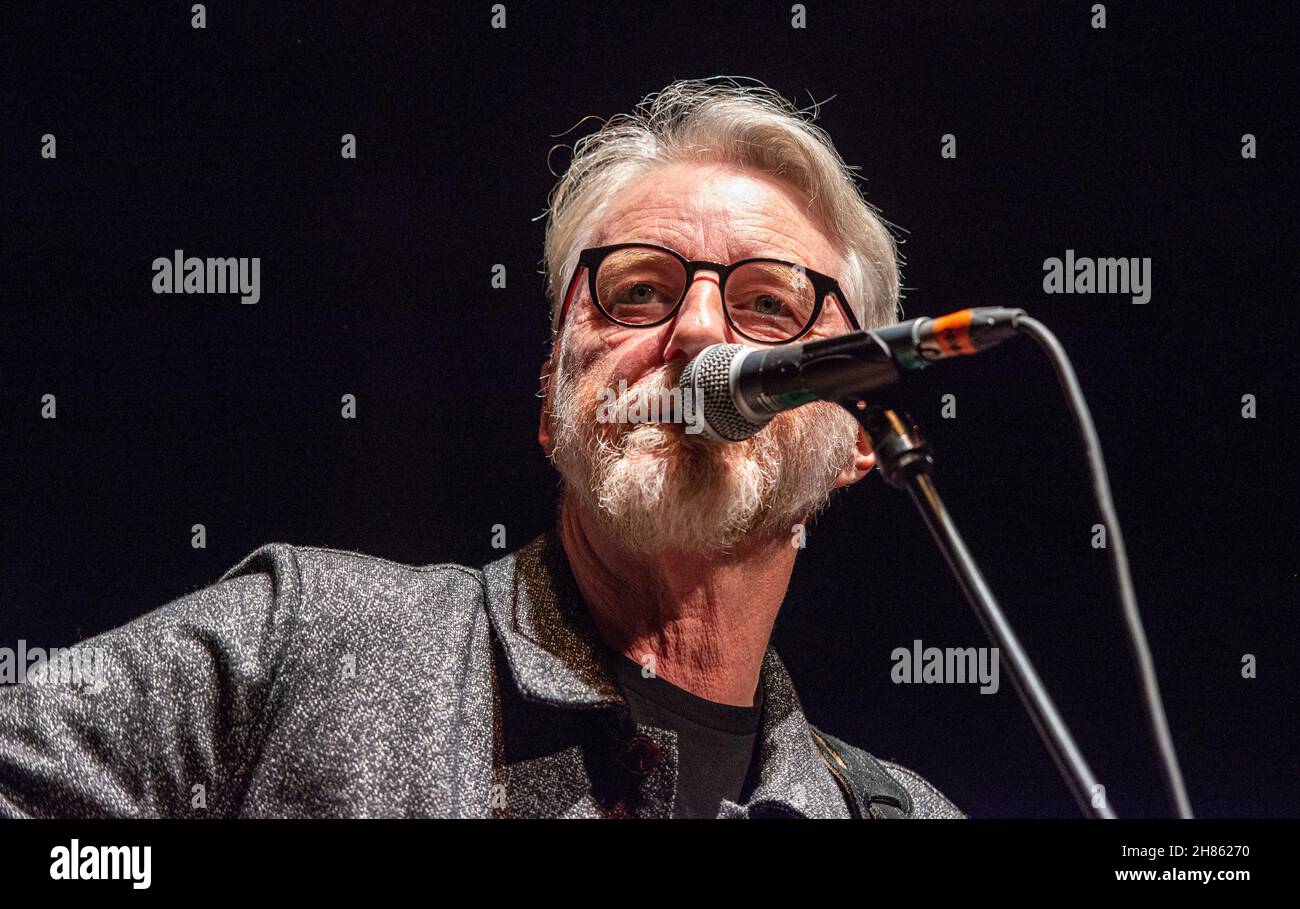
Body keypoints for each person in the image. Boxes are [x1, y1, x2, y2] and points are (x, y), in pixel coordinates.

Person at [0, 77, 962, 819]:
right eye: (636, 291)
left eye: (767, 303)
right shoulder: (307, 641)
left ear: (855, 436)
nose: (701, 331)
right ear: (553, 403)